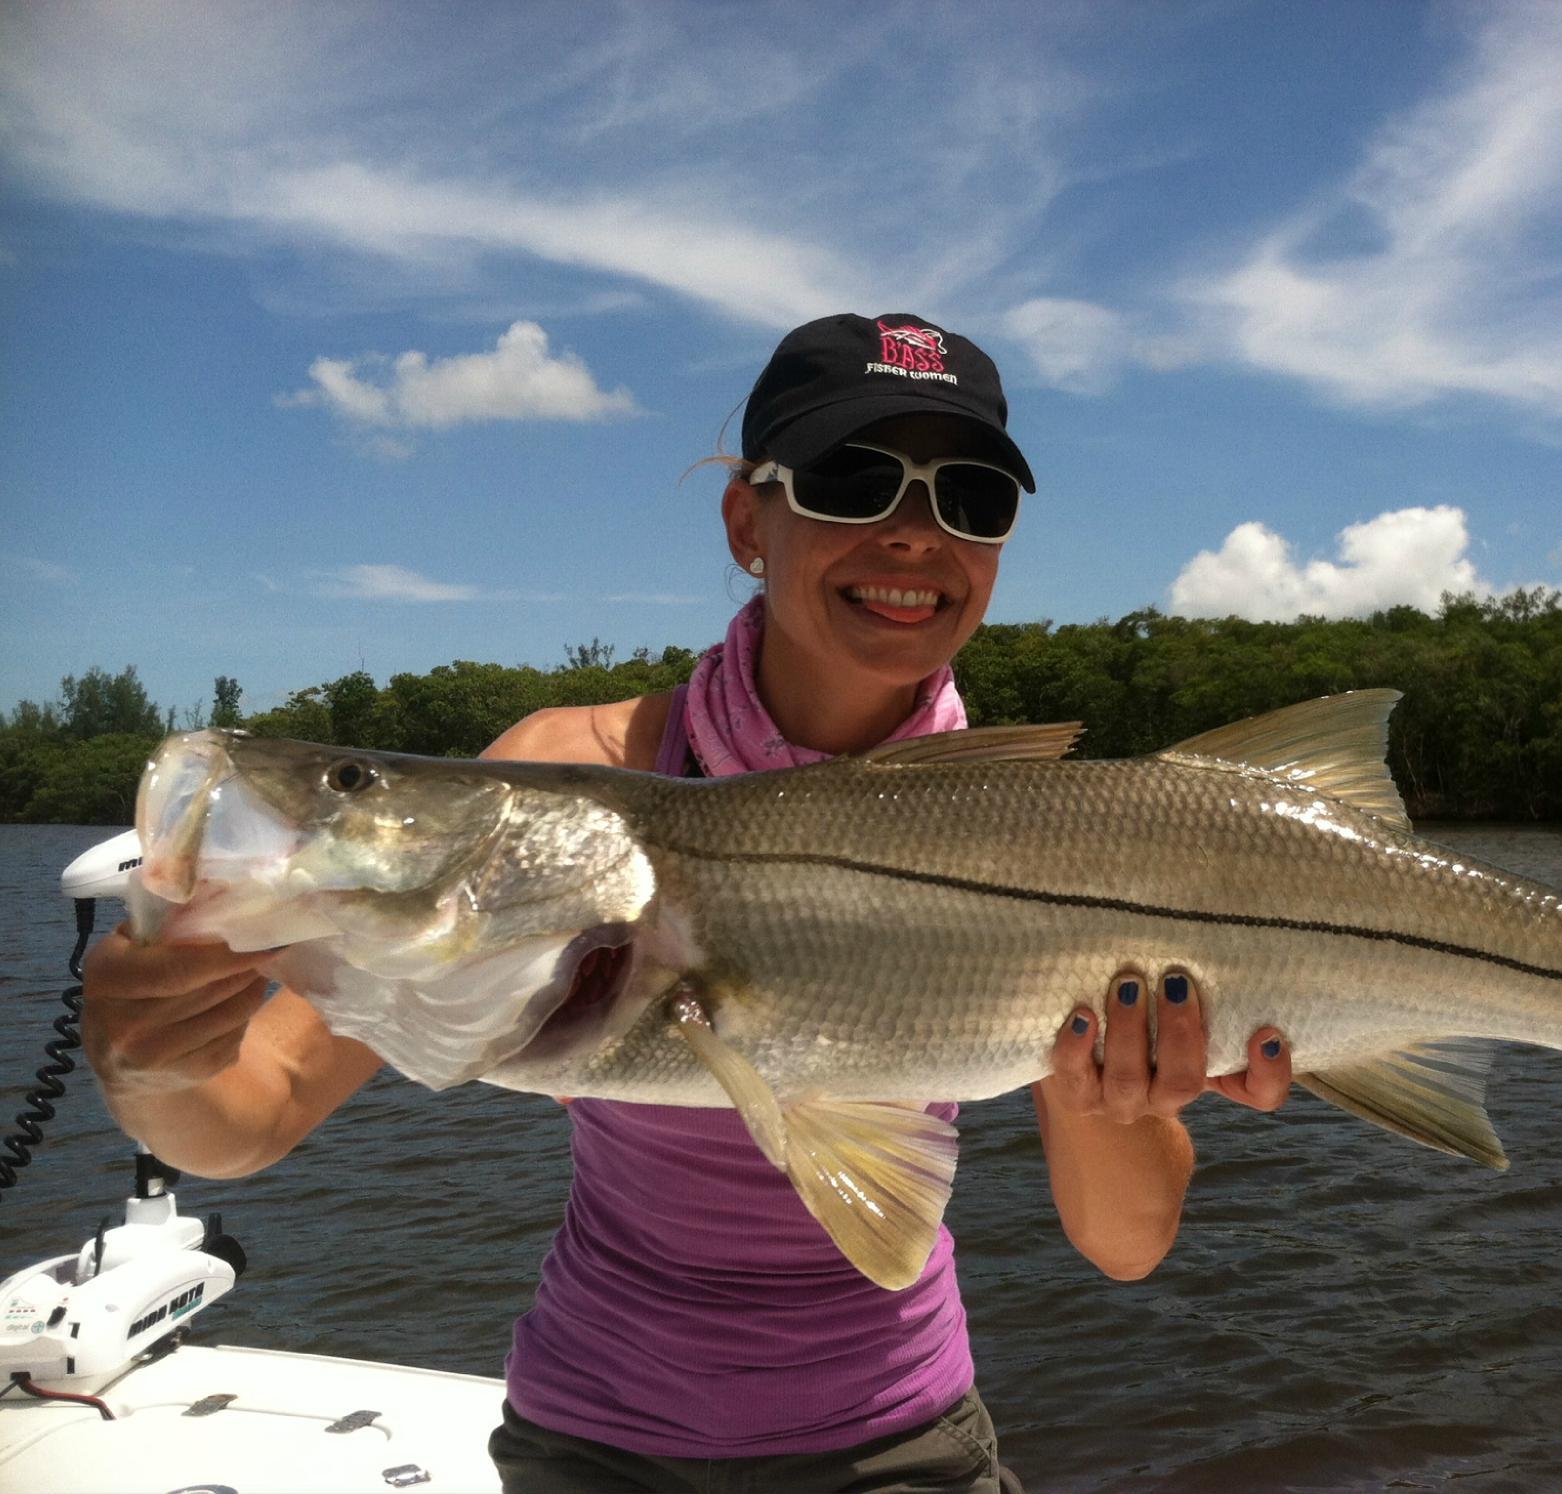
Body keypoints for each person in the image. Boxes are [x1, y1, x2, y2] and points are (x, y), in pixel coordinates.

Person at [82, 312, 1293, 1492]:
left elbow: (1123, 1247)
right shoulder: (571, 773)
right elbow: (253, 1115)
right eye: (850, 479)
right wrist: (153, 1063)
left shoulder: (1046, 825)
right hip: (590, 1439)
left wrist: (1116, 1094)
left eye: (968, 501)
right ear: (746, 520)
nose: (914, 535)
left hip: (898, 1447)